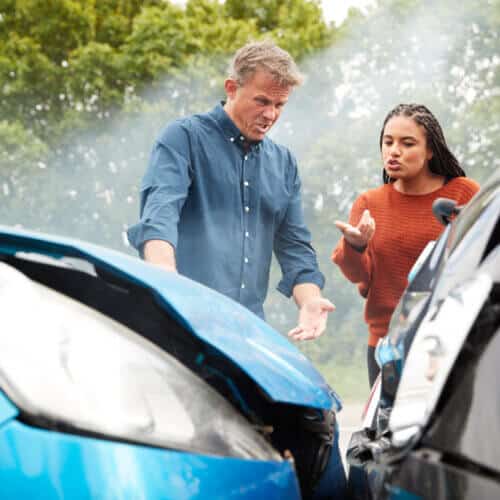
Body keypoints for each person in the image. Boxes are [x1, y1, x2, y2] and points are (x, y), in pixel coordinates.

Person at [127, 41, 346, 499]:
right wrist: (166, 280)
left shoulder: (283, 164)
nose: (270, 114)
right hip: (183, 325)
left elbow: (295, 246)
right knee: (197, 441)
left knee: (314, 419)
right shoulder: (182, 138)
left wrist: (309, 300)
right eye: (262, 100)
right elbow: (159, 217)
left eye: (280, 105)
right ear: (232, 88)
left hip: (248, 329)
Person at [332, 103, 479, 387]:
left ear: (430, 150)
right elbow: (359, 278)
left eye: (407, 143)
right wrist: (356, 247)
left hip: (448, 340)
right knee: (386, 431)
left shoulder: (463, 192)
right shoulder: (369, 203)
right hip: (386, 345)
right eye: (388, 142)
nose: (393, 151)